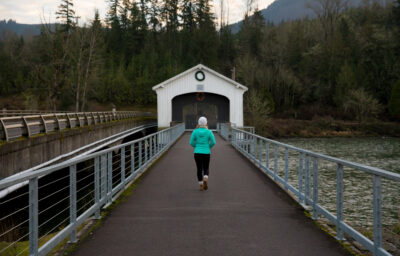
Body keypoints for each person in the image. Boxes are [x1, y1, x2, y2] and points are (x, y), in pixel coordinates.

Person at [189, 116, 216, 191]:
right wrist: (208, 147)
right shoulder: (209, 132)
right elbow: (213, 142)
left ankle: (201, 185)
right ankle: (205, 178)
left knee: (199, 169)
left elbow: (191, 143)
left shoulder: (195, 131)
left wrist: (196, 146)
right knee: (206, 167)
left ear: (198, 123)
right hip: (206, 152)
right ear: (206, 123)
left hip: (197, 152)